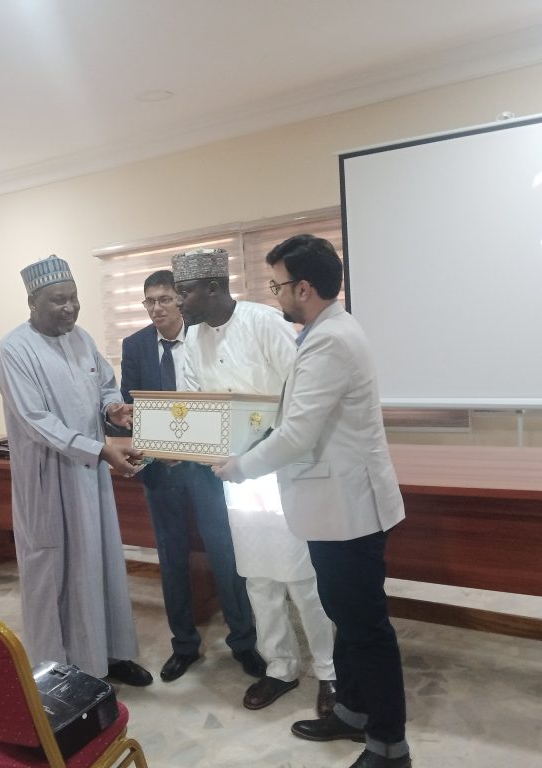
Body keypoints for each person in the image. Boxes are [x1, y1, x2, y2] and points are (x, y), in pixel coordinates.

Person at [214, 235, 410, 768]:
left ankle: (389, 746)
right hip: (332, 508)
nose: (275, 294)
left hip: (348, 510)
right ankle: (352, 711)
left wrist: (240, 467)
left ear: (303, 287)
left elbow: (299, 433)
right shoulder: (322, 331)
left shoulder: (330, 340)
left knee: (366, 628)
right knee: (346, 617)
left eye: (278, 284)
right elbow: (294, 416)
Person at [173, 247, 336, 716]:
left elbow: (299, 393)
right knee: (258, 578)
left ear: (213, 288)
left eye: (185, 292)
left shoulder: (265, 322)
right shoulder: (193, 339)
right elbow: (193, 407)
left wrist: (262, 443)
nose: (180, 302)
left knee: (304, 579)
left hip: (285, 470)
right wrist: (180, 444)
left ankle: (329, 672)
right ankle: (280, 667)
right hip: (236, 477)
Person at [0, 255, 153, 686]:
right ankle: (59, 671)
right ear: (31, 301)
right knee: (55, 576)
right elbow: (36, 421)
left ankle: (111, 656)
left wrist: (112, 408)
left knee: (101, 564)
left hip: (91, 473)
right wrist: (99, 451)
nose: (69, 308)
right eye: (58, 300)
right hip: (49, 480)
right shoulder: (12, 350)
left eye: (74, 299)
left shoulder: (81, 339)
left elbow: (104, 384)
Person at [120, 269, 261, 682]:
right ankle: (184, 646)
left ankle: (244, 643)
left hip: (206, 470)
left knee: (224, 554)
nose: (157, 308)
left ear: (180, 301)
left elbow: (220, 397)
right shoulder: (136, 346)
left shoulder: (204, 336)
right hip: (160, 473)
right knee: (172, 560)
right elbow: (134, 404)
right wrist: (154, 448)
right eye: (149, 301)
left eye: (164, 299)